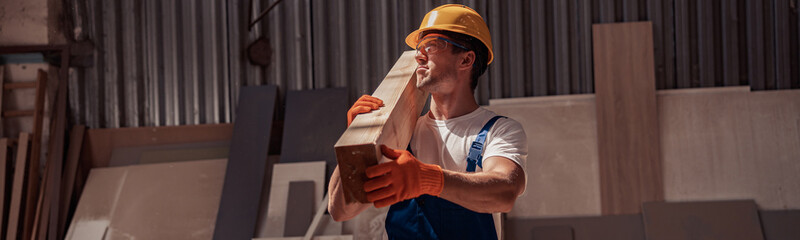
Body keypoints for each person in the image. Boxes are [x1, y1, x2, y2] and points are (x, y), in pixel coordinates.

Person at [327, 4, 527, 239]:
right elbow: (340, 210)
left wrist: (427, 179)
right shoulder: (402, 133)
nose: (419, 55)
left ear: (466, 59)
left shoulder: (499, 130)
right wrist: (355, 144)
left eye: (431, 45)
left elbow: (505, 192)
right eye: (419, 47)